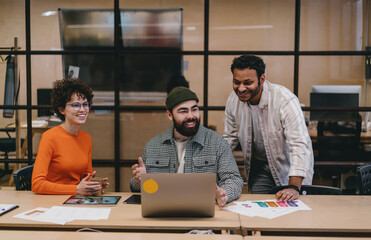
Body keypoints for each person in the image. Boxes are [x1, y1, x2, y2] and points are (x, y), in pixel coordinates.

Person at [131, 86, 243, 207]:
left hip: (203, 215)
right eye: (183, 111)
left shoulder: (217, 143)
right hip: (163, 213)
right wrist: (140, 180)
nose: (191, 116)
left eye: (194, 110)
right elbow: (136, 188)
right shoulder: (153, 146)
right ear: (169, 115)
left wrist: (224, 193)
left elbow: (234, 179)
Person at [223, 55, 314, 202]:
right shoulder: (233, 101)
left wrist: (294, 187)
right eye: (236, 82)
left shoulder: (284, 100)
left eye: (248, 83)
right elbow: (229, 139)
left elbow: (299, 144)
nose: (241, 88)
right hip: (258, 167)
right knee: (261, 210)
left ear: (262, 79)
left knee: (289, 214)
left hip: (288, 169)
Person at [32, 78, 109, 195]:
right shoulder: (49, 137)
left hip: (76, 201)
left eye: (85, 104)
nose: (83, 110)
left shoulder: (86, 138)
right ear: (62, 109)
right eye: (76, 105)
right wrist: (76, 189)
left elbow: (85, 177)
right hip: (52, 202)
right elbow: (37, 184)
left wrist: (93, 184)